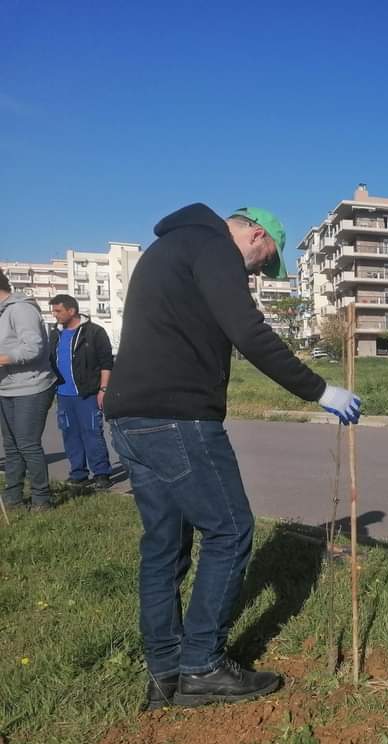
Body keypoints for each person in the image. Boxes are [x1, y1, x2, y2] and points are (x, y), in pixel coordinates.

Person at [104, 204, 361, 710]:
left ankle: (165, 675)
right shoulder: (213, 247)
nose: (260, 273)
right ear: (256, 235)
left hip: (130, 419)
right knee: (230, 529)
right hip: (177, 417)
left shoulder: (169, 248)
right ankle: (202, 667)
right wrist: (319, 391)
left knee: (164, 547)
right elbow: (249, 332)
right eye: (265, 262)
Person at [0, 270, 56, 512]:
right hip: (7, 386)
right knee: (11, 446)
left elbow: (33, 347)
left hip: (31, 386)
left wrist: (3, 358)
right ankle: (12, 498)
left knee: (27, 444)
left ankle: (41, 500)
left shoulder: (21, 309)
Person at [48, 294, 114, 490]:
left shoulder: (94, 332)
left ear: (72, 311)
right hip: (63, 395)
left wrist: (103, 389)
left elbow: (106, 363)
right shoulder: (55, 334)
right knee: (70, 435)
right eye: (54, 311)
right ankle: (78, 474)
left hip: (87, 394)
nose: (55, 315)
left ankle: (101, 473)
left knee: (92, 433)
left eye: (58, 311)